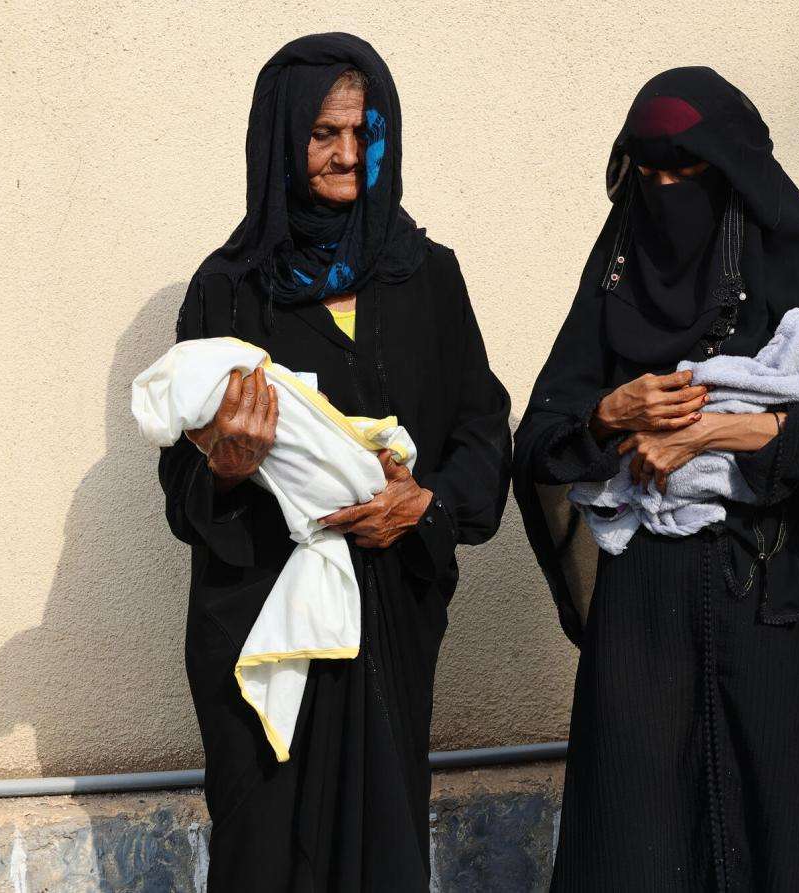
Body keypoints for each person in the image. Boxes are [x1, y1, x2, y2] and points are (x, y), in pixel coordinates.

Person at [513, 67, 799, 890]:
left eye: (689, 172)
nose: (668, 190)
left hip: (771, 600)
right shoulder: (614, 277)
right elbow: (538, 443)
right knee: (638, 841)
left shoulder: (794, 264)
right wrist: (611, 411)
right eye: (651, 173)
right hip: (642, 616)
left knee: (777, 838)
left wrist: (718, 429)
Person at [157, 32, 511, 891]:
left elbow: (483, 433)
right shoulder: (229, 290)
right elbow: (180, 488)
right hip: (262, 636)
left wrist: (424, 505)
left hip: (387, 624)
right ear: (282, 140)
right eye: (323, 133)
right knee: (264, 853)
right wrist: (230, 466)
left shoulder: (426, 277)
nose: (348, 153)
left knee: (380, 852)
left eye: (363, 130)